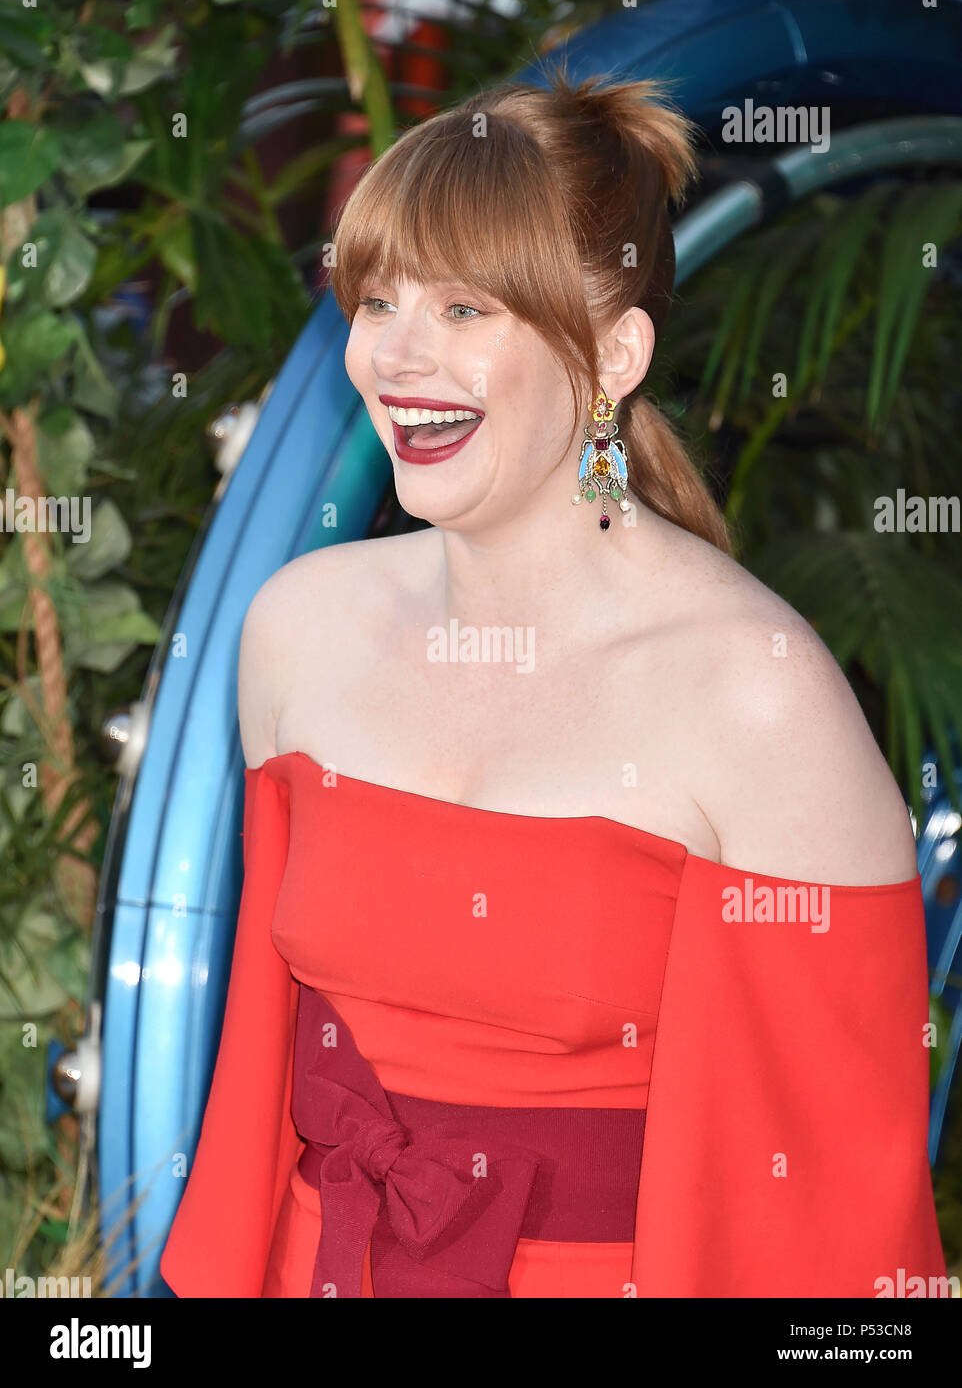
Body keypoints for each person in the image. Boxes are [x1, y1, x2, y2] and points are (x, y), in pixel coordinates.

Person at [159, 67, 947, 1298]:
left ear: (610, 352)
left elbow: (832, 1209)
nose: (398, 357)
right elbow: (263, 1082)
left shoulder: (756, 692)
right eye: (378, 300)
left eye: (466, 309)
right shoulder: (296, 632)